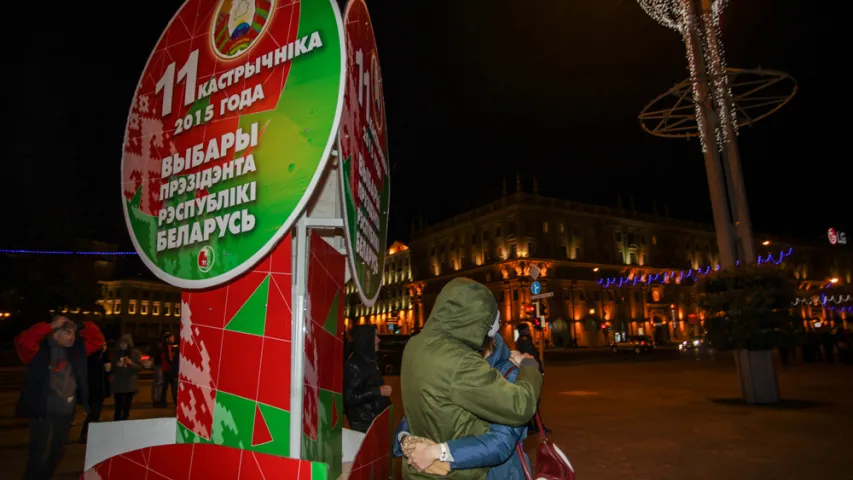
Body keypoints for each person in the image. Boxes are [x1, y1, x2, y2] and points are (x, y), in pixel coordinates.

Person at [400, 278, 542, 480]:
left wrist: (408, 442)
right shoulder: (460, 361)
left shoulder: (415, 346)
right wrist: (530, 366)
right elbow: (520, 406)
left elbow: (419, 408)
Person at [394, 334, 532, 478]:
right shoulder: (449, 367)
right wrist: (406, 441)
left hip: (498, 473)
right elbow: (417, 411)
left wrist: (436, 452)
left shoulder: (508, 373)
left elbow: (502, 441)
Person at [15, 316, 105, 480]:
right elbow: (24, 342)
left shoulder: (75, 351)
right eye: (67, 333)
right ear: (55, 335)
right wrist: (49, 325)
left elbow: (97, 341)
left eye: (73, 333)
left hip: (65, 411)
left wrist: (83, 325)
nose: (72, 336)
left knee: (56, 454)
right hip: (44, 410)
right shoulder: (39, 351)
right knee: (39, 455)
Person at [344, 324, 391, 432]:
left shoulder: (369, 360)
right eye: (375, 336)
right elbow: (350, 397)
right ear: (366, 339)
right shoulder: (355, 364)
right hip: (364, 422)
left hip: (373, 419)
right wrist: (377, 391)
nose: (379, 340)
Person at [516, 322, 550, 434]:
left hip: (528, 373)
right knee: (534, 400)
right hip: (531, 373)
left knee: (532, 400)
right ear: (523, 330)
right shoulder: (525, 341)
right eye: (527, 329)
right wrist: (538, 370)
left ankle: (530, 426)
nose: (529, 330)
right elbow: (531, 357)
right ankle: (538, 427)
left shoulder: (522, 341)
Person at [79, 342, 111, 443]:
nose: (105, 347)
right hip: (93, 389)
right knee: (94, 413)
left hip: (100, 389)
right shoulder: (92, 357)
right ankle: (84, 435)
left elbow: (107, 371)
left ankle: (88, 435)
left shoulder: (103, 357)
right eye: (103, 345)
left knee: (96, 413)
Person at [112, 334, 143, 421]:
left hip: (129, 384)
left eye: (124, 343)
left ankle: (124, 421)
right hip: (118, 384)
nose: (122, 345)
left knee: (126, 407)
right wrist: (116, 365)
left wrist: (131, 363)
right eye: (121, 342)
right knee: (118, 407)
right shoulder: (116, 353)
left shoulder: (135, 353)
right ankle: (116, 422)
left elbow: (140, 368)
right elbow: (112, 368)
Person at [158, 332, 178, 407]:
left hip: (167, 369)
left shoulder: (167, 346)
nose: (173, 339)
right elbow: (168, 358)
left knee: (168, 387)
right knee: (170, 386)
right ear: (167, 339)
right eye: (171, 338)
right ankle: (171, 402)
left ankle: (164, 402)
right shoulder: (166, 347)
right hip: (168, 369)